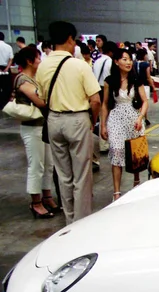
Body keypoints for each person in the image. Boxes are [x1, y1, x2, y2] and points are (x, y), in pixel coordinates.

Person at [37, 21, 101, 224]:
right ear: (69, 39)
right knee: (82, 175)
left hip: (54, 120)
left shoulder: (43, 65)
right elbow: (95, 100)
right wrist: (92, 121)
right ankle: (81, 223)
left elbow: (41, 97)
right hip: (77, 119)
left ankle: (69, 219)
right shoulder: (79, 65)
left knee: (63, 174)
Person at [13, 46, 60, 219]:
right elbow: (40, 101)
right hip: (31, 127)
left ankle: (47, 196)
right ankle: (36, 202)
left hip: (43, 126)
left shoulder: (34, 78)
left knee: (48, 164)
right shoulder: (23, 80)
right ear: (29, 61)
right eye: (38, 59)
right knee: (36, 166)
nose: (40, 62)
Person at [100, 48, 148, 201]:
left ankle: (136, 183)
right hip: (116, 118)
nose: (128, 62)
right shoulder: (109, 81)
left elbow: (145, 101)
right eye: (124, 59)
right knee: (117, 151)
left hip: (133, 118)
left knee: (135, 153)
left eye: (129, 59)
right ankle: (116, 192)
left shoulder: (136, 79)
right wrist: (103, 125)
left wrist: (140, 117)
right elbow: (105, 104)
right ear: (116, 62)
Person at [135, 48, 156, 125]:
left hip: (136, 85)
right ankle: (144, 118)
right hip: (144, 86)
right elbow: (148, 77)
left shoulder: (134, 63)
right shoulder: (146, 65)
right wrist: (153, 86)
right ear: (144, 55)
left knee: (138, 102)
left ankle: (140, 117)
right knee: (144, 102)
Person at [0, 32, 14, 109]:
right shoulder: (8, 47)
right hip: (6, 68)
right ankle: (4, 104)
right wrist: (7, 68)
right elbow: (11, 59)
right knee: (7, 87)